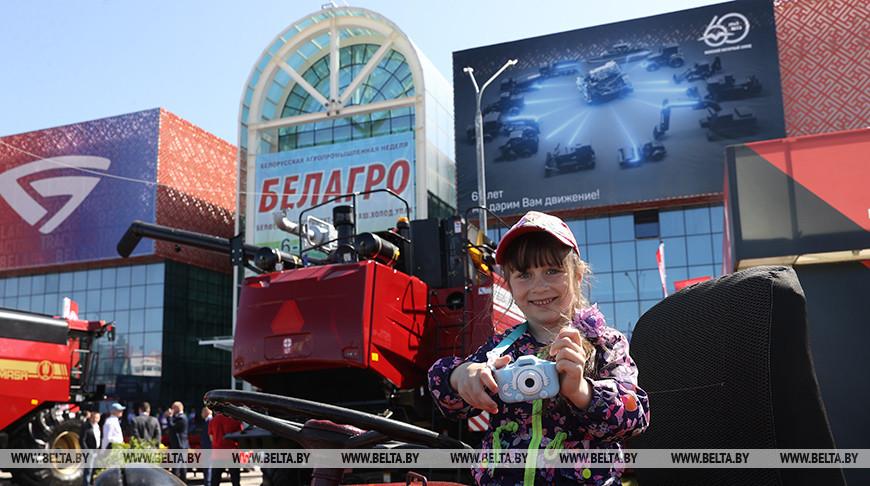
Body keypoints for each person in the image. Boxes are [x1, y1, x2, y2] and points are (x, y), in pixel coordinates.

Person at [428, 211, 650, 485]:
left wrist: (580, 391)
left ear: (578, 275)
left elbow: (635, 415)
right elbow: (446, 398)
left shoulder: (605, 343)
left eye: (552, 271)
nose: (539, 286)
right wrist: (461, 376)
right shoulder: (500, 349)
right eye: (524, 274)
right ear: (508, 284)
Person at [209, 412, 244, 486]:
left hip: (217, 453)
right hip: (232, 453)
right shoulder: (235, 420)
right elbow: (241, 436)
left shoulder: (213, 420)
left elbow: (211, 437)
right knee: (235, 479)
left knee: (215, 480)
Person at [168, 401, 190, 482]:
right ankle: (183, 482)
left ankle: (177, 482)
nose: (172, 409)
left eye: (173, 407)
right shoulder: (180, 417)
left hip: (179, 446)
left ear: (177, 408)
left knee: (176, 467)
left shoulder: (181, 418)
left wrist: (169, 416)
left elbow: (172, 427)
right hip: (181, 446)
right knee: (181, 466)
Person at [80, 411, 101, 486]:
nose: (96, 419)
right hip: (90, 451)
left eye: (97, 418)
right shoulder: (86, 426)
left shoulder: (97, 426)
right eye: (94, 417)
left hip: (97, 451)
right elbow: (82, 440)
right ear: (91, 418)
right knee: (88, 470)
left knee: (94, 470)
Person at [199, 407, 213, 486]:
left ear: (206, 412)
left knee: (208, 467)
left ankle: (208, 483)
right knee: (206, 467)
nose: (201, 414)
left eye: (202, 412)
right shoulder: (206, 421)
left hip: (209, 448)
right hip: (206, 447)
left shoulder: (210, 421)